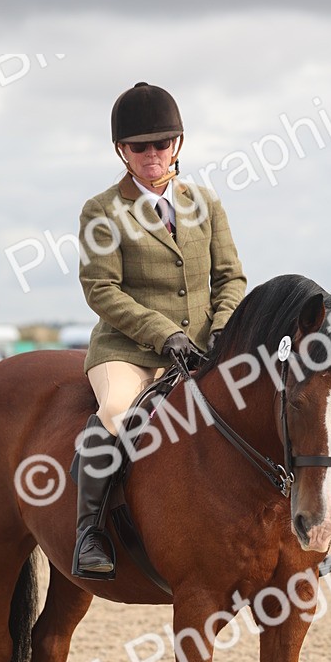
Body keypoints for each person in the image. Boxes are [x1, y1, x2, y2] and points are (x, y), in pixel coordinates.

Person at [72, 82, 247, 579]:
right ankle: (91, 531)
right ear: (121, 152)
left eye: (161, 143)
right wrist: (164, 335)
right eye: (139, 146)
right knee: (116, 413)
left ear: (178, 144)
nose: (152, 155)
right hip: (127, 349)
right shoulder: (102, 211)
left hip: (202, 346)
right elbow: (101, 289)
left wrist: (223, 328)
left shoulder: (206, 203)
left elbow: (230, 277)